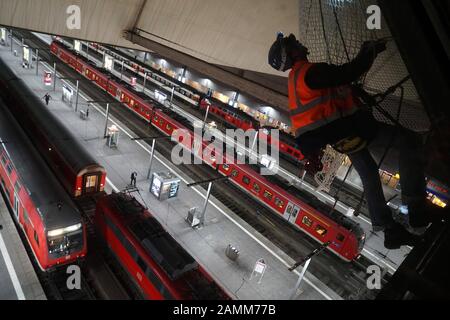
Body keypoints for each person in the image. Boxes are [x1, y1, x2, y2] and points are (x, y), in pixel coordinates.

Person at [268, 33, 445, 249]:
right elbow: (349, 72)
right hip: (354, 129)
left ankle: (388, 229)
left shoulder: (296, 81)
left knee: (369, 175)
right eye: (292, 43)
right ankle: (416, 208)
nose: (298, 43)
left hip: (341, 139)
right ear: (291, 53)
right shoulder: (310, 73)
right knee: (408, 141)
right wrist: (368, 52)